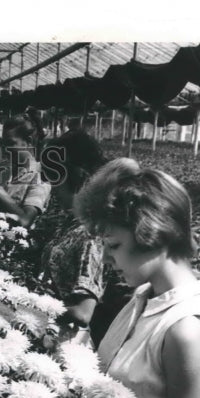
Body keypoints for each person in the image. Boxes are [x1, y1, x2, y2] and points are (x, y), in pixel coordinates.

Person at [74, 158, 200, 398]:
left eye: (113, 245)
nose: (104, 258)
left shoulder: (186, 329)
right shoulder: (143, 297)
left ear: (153, 233)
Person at [35, 129, 131, 340]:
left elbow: (83, 312)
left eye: (54, 179)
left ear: (76, 176)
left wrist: (31, 307)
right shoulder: (71, 220)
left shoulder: (92, 234)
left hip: (77, 345)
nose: (51, 188)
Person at [0, 109, 50, 228]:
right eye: (3, 143)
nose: (5, 148)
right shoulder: (9, 171)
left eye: (10, 143)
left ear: (28, 142)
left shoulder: (41, 176)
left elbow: (26, 220)